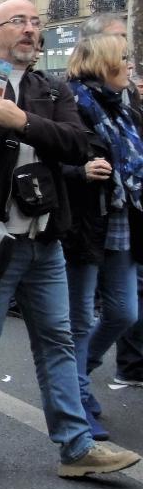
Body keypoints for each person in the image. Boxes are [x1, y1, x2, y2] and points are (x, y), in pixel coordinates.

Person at [0, 0, 140, 478]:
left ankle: (75, 445)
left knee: (58, 342)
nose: (29, 30)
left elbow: (77, 143)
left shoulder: (51, 89)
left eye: (34, 22)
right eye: (18, 22)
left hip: (45, 240)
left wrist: (20, 121)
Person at [62, 31, 142, 440]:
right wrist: (81, 172)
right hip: (85, 222)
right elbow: (49, 163)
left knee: (125, 311)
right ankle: (75, 399)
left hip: (123, 221)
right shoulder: (71, 103)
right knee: (77, 321)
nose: (130, 64)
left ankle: (78, 374)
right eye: (123, 58)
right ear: (102, 64)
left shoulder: (127, 108)